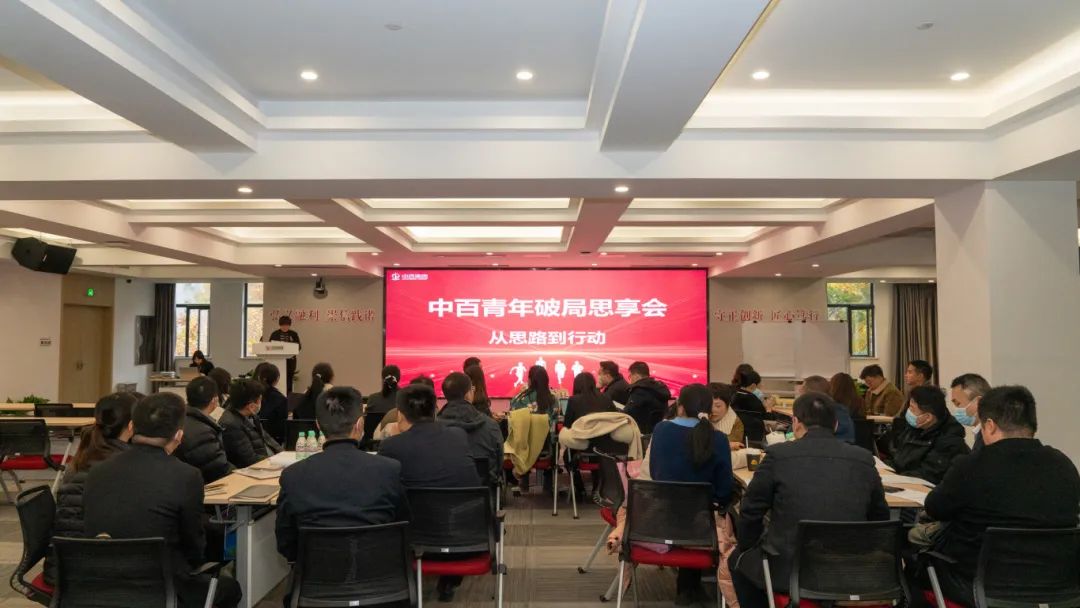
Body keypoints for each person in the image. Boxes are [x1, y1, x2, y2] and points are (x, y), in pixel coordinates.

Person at [918, 385, 1080, 607]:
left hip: (977, 587)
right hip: (1059, 589)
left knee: (917, 559)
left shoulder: (971, 466)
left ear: (990, 425)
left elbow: (934, 508)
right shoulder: (1063, 465)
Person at [730, 392, 889, 608]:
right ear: (835, 424)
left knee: (738, 561)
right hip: (852, 572)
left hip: (791, 572)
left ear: (795, 423)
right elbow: (880, 518)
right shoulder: (863, 458)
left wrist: (748, 545)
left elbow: (751, 510)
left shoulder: (777, 455)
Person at [83, 393, 242, 608]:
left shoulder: (97, 471)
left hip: (103, 584)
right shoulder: (186, 476)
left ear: (133, 427)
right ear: (178, 435)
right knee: (230, 588)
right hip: (163, 588)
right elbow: (194, 546)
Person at [611, 384, 733, 606]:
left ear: (680, 407)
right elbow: (724, 492)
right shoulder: (719, 440)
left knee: (687, 508)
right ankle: (696, 588)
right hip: (702, 529)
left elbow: (657, 474)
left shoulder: (661, 430)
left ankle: (687, 589)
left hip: (658, 521)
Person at [276, 386, 406, 564]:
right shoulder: (389, 470)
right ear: (360, 424)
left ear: (318, 425)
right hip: (379, 572)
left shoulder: (293, 475)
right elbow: (402, 526)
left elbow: (285, 542)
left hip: (315, 574)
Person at [378, 383, 480, 602]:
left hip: (414, 543)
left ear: (400, 414)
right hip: (468, 539)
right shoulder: (458, 436)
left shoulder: (391, 447)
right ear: (435, 410)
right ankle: (448, 582)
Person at [44, 392, 136, 586]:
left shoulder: (83, 458)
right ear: (131, 426)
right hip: (94, 573)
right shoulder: (126, 467)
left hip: (65, 566)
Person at [882, 385, 969, 484]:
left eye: (912, 409)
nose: (908, 412)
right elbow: (897, 459)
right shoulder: (914, 428)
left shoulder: (949, 441)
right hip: (901, 482)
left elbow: (927, 475)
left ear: (928, 417)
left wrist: (896, 478)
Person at [439, 372, 503, 486]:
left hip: (441, 492)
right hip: (482, 492)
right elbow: (498, 465)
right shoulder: (491, 425)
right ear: (468, 394)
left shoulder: (431, 427)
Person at [176, 376, 235, 484]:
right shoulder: (203, 433)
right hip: (204, 486)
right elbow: (218, 469)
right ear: (214, 400)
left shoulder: (180, 419)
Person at [220, 378, 283, 468]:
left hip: (269, 462)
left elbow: (268, 439)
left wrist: (283, 454)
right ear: (251, 406)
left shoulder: (251, 416)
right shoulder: (231, 425)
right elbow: (249, 459)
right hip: (257, 468)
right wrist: (275, 462)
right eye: (260, 400)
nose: (261, 403)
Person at [803, 375, 854, 444]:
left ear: (810, 394)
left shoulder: (835, 412)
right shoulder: (836, 409)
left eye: (802, 391)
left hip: (835, 448)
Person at [624, 361, 671, 434]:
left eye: (630, 376)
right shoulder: (659, 388)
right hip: (656, 432)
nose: (629, 379)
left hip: (639, 433)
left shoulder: (640, 390)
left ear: (636, 376)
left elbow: (627, 413)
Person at [949, 373, 991, 450]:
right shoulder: (982, 433)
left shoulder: (991, 436)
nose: (956, 410)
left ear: (978, 402)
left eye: (958, 403)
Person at [254, 362, 288, 445]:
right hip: (272, 442)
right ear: (276, 379)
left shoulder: (246, 393)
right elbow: (282, 428)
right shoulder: (280, 398)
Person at [268, 315, 301, 394]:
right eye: (283, 325)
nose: (285, 327)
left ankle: (289, 396)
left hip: (290, 361)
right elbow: (270, 346)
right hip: (278, 361)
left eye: (287, 325)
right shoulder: (275, 334)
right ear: (280, 325)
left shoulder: (293, 334)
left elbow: (299, 347)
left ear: (289, 325)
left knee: (289, 379)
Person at [708, 383, 744, 449]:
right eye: (708, 405)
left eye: (718, 406)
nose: (712, 410)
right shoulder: (698, 416)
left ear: (728, 405)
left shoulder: (735, 424)